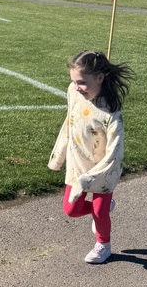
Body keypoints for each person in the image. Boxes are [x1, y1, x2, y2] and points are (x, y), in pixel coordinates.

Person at [48, 50, 132, 264]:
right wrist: (58, 156)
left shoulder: (111, 112)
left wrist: (91, 178)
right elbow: (69, 123)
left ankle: (103, 245)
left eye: (82, 82)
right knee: (71, 209)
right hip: (78, 166)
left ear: (100, 78)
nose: (76, 87)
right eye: (74, 81)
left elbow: (115, 152)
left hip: (104, 170)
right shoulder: (73, 92)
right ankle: (101, 212)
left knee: (99, 212)